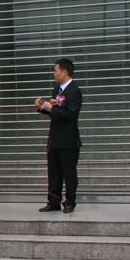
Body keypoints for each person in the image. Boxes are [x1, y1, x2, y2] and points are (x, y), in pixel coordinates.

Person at [35, 58, 83, 214]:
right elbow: (55, 111)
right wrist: (42, 107)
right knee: (54, 173)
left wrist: (50, 108)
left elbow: (70, 114)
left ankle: (69, 203)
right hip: (54, 140)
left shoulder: (75, 91)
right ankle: (53, 202)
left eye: (55, 71)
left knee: (69, 174)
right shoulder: (57, 90)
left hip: (69, 141)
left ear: (64, 71)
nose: (53, 74)